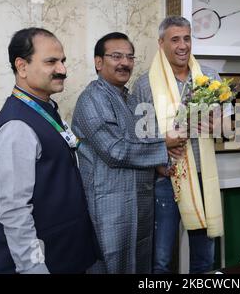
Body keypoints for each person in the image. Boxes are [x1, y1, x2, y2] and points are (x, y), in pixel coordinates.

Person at [0, 27, 99, 273]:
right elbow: (15, 211)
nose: (62, 70)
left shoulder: (45, 109)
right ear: (22, 66)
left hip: (64, 255)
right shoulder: (16, 126)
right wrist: (33, 267)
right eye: (51, 62)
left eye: (63, 61)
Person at [71, 32, 170, 273]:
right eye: (116, 56)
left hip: (140, 201)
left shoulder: (132, 99)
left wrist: (165, 163)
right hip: (110, 203)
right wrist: (165, 146)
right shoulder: (91, 99)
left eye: (129, 57)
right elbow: (115, 151)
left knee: (141, 261)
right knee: (112, 263)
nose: (124, 63)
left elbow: (147, 139)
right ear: (98, 62)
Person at [133, 16, 224, 274]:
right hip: (165, 179)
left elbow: (230, 126)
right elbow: (137, 138)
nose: (183, 45)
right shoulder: (144, 84)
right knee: (161, 260)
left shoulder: (208, 77)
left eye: (187, 38)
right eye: (175, 39)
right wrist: (162, 151)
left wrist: (217, 126)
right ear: (161, 43)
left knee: (205, 260)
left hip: (203, 177)